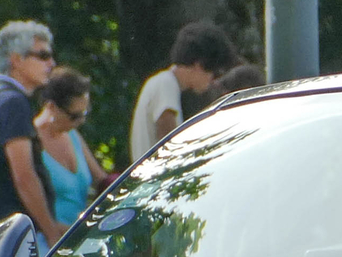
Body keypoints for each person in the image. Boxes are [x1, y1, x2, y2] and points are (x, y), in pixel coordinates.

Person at [0, 20, 63, 242]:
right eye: (43, 56)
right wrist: (53, 235)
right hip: (21, 238)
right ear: (16, 60)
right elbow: (24, 176)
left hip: (3, 232)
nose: (52, 63)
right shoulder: (13, 104)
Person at [129, 22, 239, 162]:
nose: (214, 82)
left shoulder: (163, 83)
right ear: (199, 64)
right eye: (214, 73)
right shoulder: (166, 85)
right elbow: (169, 147)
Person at [34, 69, 110, 230]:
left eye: (85, 113)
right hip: (48, 241)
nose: (81, 121)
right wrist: (54, 230)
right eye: (75, 116)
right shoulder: (32, 141)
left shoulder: (73, 135)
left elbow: (102, 180)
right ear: (51, 107)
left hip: (80, 237)